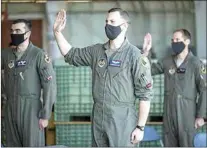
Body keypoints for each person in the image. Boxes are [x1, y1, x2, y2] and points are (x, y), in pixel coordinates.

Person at [53, 8, 153, 146]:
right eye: (106, 21)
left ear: (124, 26)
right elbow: (71, 55)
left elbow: (145, 95)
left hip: (122, 119)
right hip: (99, 117)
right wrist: (57, 32)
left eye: (112, 21)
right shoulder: (97, 51)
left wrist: (140, 127)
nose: (108, 25)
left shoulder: (134, 55)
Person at [142, 29, 206, 147]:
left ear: (187, 41)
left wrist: (200, 116)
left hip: (187, 114)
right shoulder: (167, 61)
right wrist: (146, 52)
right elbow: (148, 70)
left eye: (177, 40)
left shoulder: (196, 63)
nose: (174, 42)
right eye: (172, 40)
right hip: (169, 113)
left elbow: (204, 90)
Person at [1, 19, 57, 147]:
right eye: (12, 31)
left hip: (31, 110)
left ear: (28, 34)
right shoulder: (5, 55)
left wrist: (45, 115)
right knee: (11, 144)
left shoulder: (39, 55)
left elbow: (50, 85)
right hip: (10, 108)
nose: (14, 33)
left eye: (18, 31)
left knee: (32, 144)